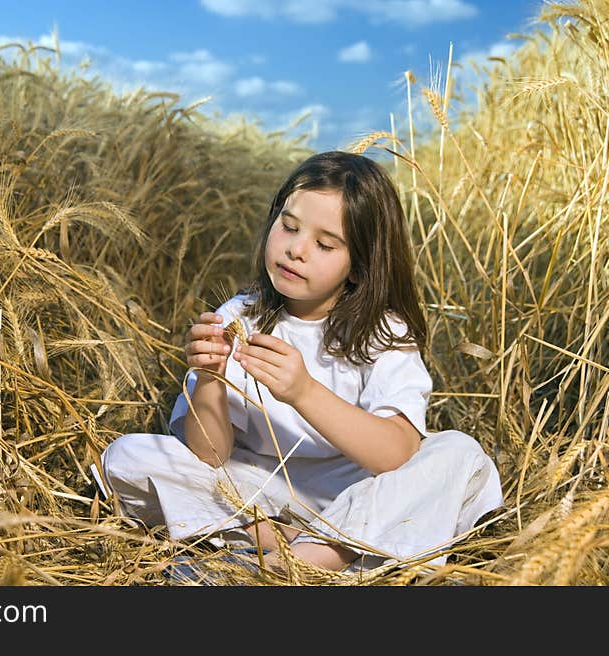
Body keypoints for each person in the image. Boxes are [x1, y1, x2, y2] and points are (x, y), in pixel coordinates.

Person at [95, 151, 505, 577]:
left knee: (458, 455)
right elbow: (209, 455)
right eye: (288, 226)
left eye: (325, 244)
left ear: (359, 268)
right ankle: (310, 547)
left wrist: (305, 392)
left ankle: (294, 563)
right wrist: (211, 379)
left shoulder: (383, 331)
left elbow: (397, 453)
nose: (296, 249)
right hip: (260, 494)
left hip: (360, 493)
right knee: (126, 458)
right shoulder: (241, 316)